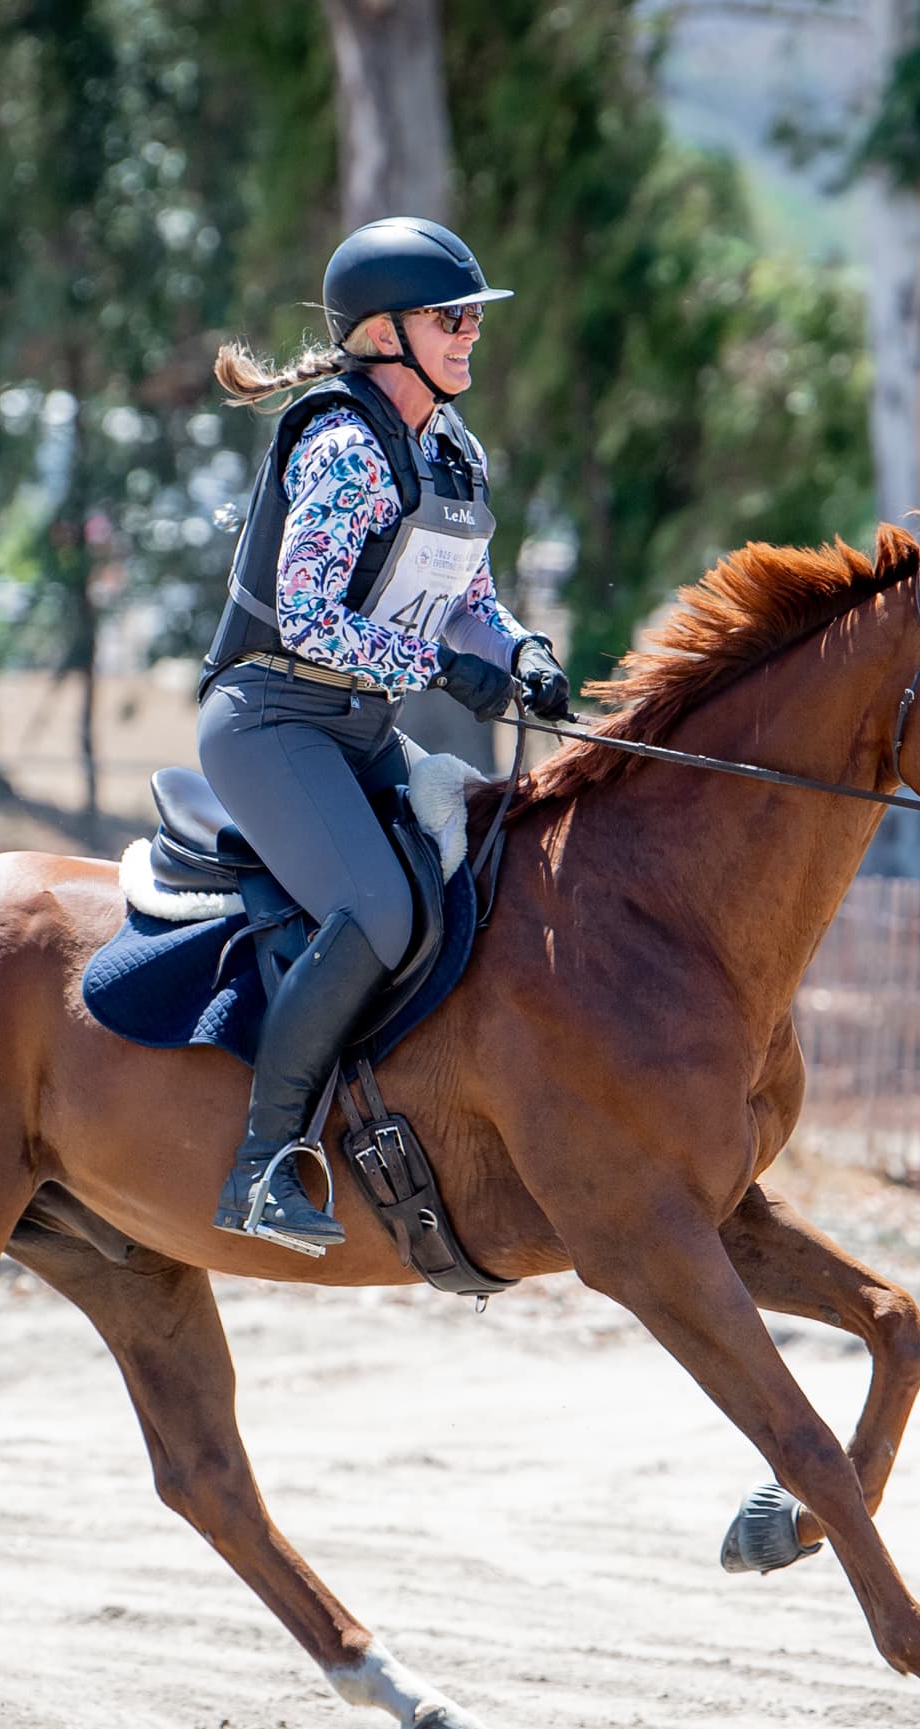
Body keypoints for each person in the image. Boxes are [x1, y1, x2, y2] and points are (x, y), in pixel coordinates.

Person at [196, 216, 572, 1251]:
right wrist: (440, 669)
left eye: (471, 318)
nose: (469, 335)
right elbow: (310, 614)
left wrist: (517, 652)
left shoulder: (449, 447)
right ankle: (262, 1165)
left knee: (482, 875)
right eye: (451, 317)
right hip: (271, 718)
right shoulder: (342, 446)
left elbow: (467, 600)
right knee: (380, 907)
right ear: (383, 334)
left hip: (359, 726)